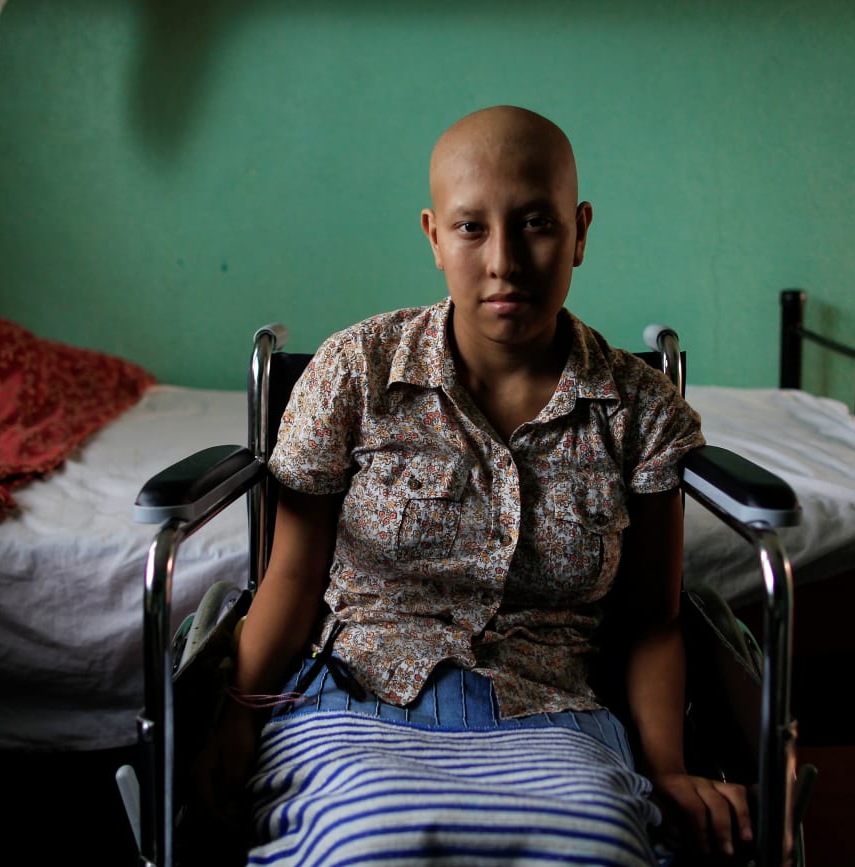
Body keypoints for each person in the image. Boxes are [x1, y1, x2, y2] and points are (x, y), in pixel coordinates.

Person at [196, 105, 753, 865]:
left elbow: (653, 621)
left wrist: (670, 769)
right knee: (367, 845)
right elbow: (289, 577)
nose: (504, 261)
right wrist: (237, 717)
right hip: (360, 703)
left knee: (599, 847)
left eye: (535, 223)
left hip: (554, 714)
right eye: (470, 228)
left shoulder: (641, 410)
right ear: (433, 235)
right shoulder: (354, 371)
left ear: (580, 230)